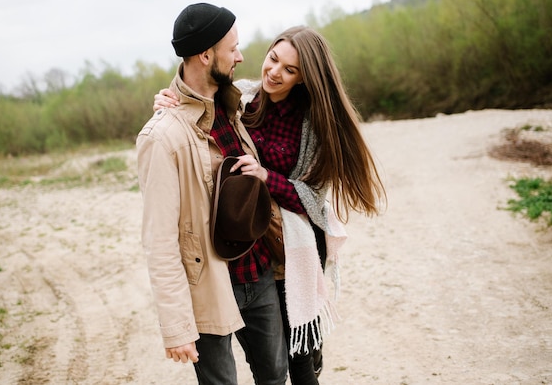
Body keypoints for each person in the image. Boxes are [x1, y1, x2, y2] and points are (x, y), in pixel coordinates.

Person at [155, 25, 386, 384]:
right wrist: (168, 99)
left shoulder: (315, 125)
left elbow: (313, 200)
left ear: (304, 78)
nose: (274, 72)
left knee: (299, 363)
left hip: (293, 247)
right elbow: (196, 102)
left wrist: (266, 177)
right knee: (277, 360)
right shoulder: (242, 98)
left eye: (289, 70)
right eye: (273, 59)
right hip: (256, 242)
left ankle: (312, 348)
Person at [137, 3, 288, 385]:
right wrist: (176, 326)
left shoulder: (236, 104)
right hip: (210, 285)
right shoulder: (161, 137)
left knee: (275, 375)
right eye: (232, 48)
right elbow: (160, 240)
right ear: (206, 55)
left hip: (258, 270)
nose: (240, 56)